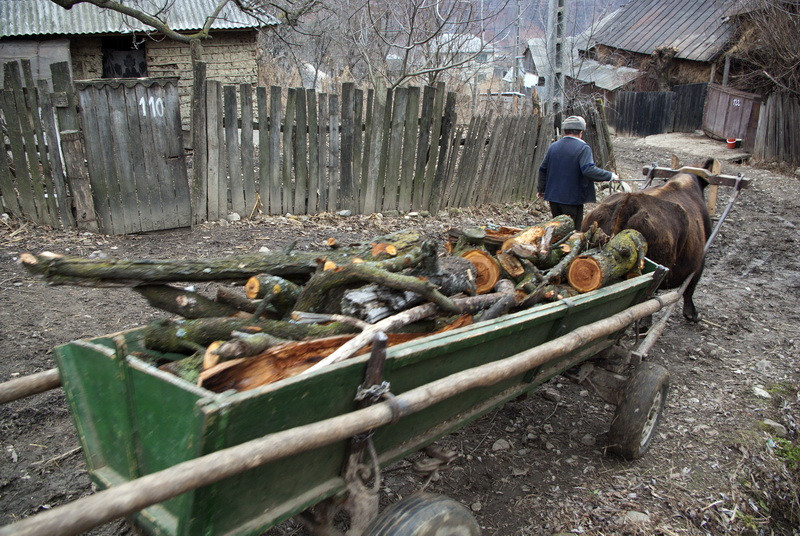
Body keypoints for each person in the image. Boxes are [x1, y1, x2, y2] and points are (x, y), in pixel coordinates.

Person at [537, 115, 619, 229]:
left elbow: (542, 169)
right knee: (572, 231)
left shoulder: (553, 146)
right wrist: (610, 175)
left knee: (557, 229)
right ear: (581, 132)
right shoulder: (583, 148)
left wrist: (541, 189)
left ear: (564, 131)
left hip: (553, 198)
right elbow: (588, 170)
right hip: (572, 200)